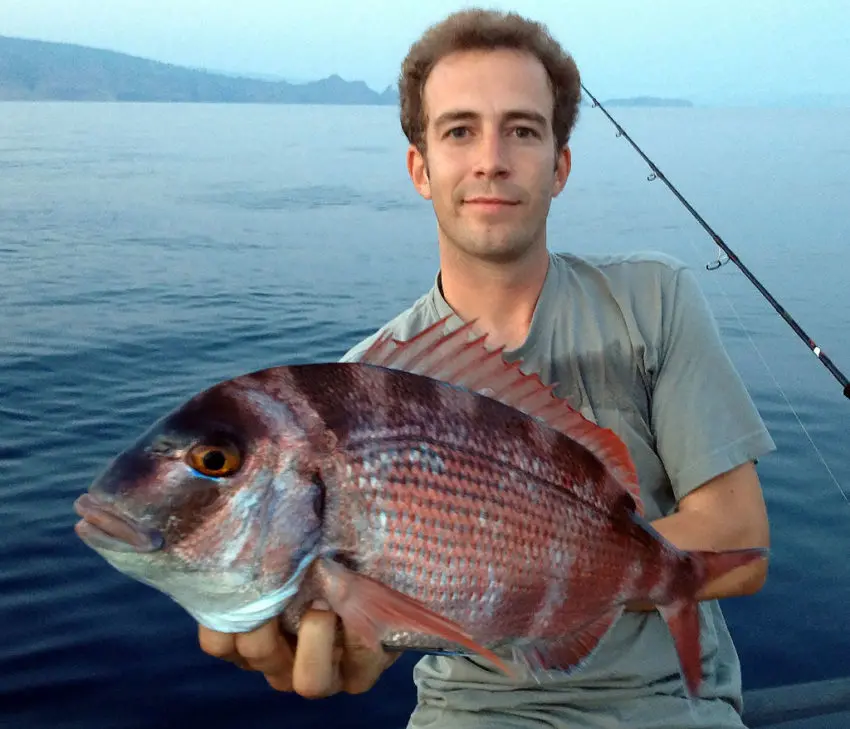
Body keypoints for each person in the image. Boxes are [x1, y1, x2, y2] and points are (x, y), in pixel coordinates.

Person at [198, 9, 774, 728]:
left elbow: (740, 547)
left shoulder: (652, 300)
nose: (490, 158)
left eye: (523, 130)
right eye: (459, 129)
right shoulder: (358, 387)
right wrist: (366, 636)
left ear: (559, 166)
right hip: (472, 706)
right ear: (420, 166)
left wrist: (494, 560)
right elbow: (372, 626)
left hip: (667, 701)